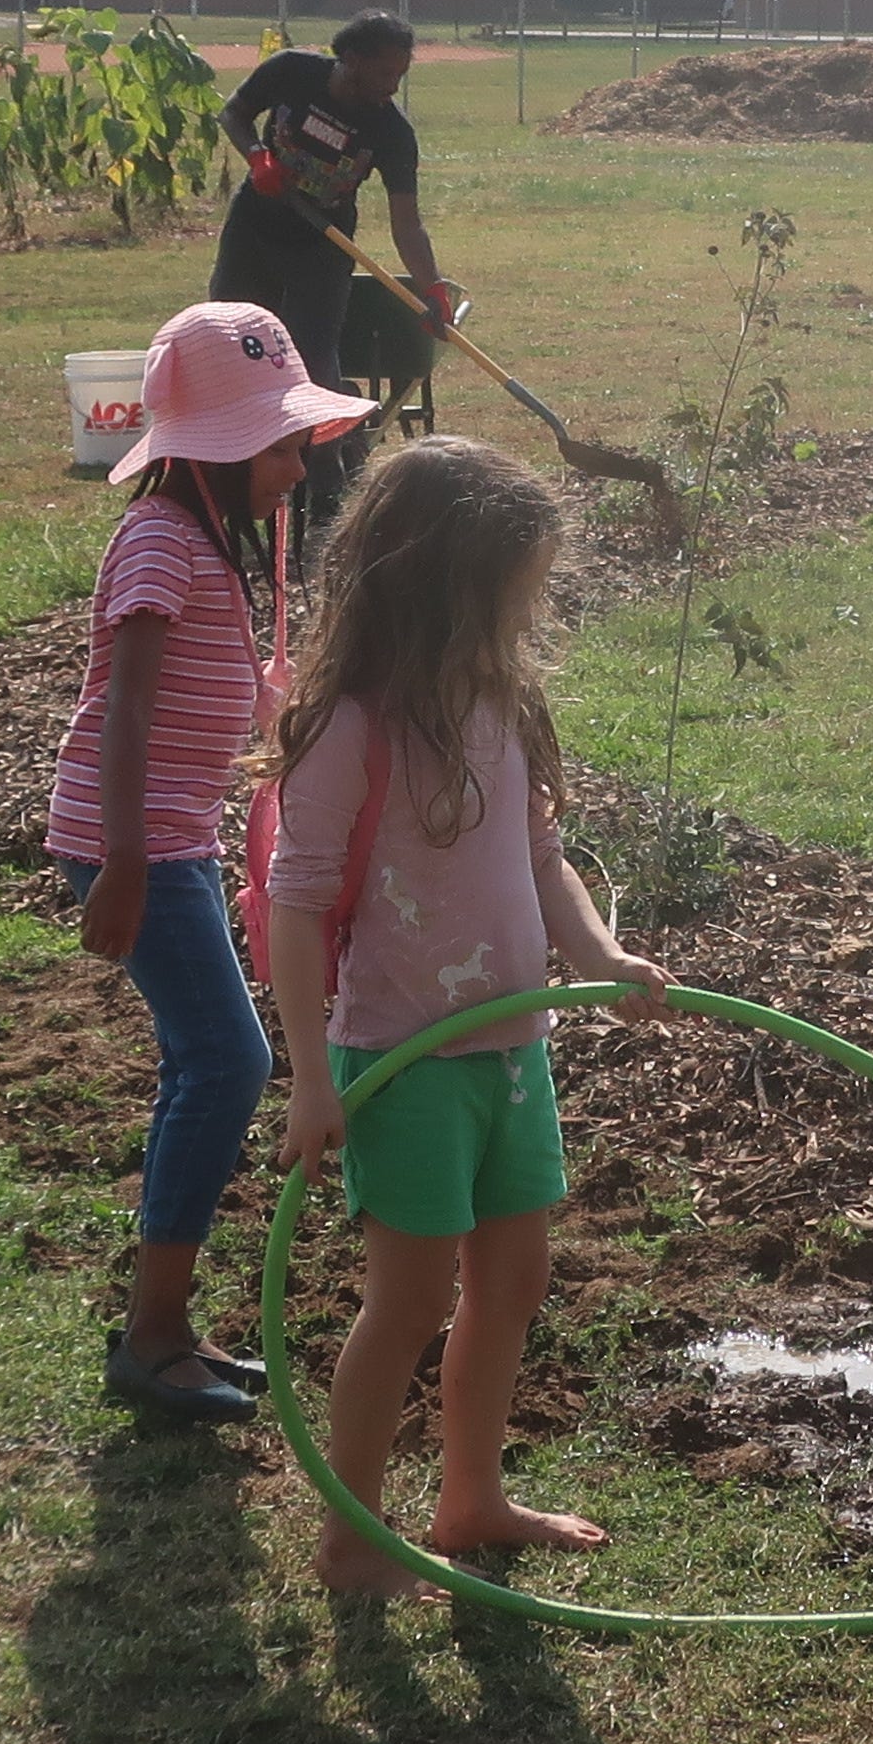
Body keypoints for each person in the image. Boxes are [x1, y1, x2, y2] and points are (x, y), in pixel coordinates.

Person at [260, 434, 673, 1595]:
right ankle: (353, 1533)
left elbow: (541, 856)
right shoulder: (353, 730)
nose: (528, 612)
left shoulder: (500, 701)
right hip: (403, 1059)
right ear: (446, 587)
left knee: (515, 1281)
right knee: (408, 1300)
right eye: (516, 590)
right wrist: (309, 1074)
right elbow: (295, 907)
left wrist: (597, 951)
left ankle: (471, 1499)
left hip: (510, 1050)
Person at [50, 300, 374, 1425]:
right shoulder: (155, 539)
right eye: (283, 445)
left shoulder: (200, 543)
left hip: (164, 837)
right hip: (132, 839)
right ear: (225, 448)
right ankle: (151, 1335)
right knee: (226, 1062)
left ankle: (168, 1322)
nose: (297, 467)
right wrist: (129, 862)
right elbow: (125, 709)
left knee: (212, 1060)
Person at [213, 13, 455, 466]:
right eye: (386, 73)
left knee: (314, 362)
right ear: (351, 59)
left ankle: (327, 483)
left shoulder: (392, 132)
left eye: (401, 75)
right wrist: (257, 156)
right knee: (231, 341)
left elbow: (407, 222)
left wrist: (433, 287)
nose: (393, 86)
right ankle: (234, 460)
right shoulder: (291, 71)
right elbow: (234, 112)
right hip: (255, 227)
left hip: (322, 247)